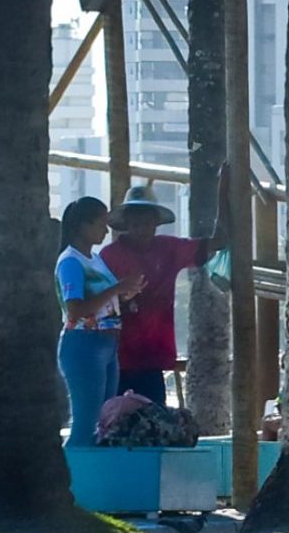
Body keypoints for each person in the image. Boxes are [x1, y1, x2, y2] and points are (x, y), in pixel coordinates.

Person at [100, 182, 215, 408]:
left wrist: (223, 194)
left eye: (146, 219)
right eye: (135, 219)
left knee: (154, 422)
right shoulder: (108, 256)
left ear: (155, 222)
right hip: (116, 358)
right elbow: (94, 304)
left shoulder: (168, 249)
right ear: (126, 222)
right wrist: (121, 297)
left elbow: (214, 243)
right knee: (113, 423)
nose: (141, 225)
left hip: (152, 358)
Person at [55, 195, 137, 449]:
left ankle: (89, 477)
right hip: (84, 345)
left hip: (106, 344)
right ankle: (71, 477)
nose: (105, 229)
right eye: (100, 223)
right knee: (86, 421)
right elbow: (75, 310)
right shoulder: (70, 261)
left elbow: (101, 299)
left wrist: (125, 295)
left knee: (104, 420)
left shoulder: (95, 259)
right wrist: (116, 290)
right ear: (82, 226)